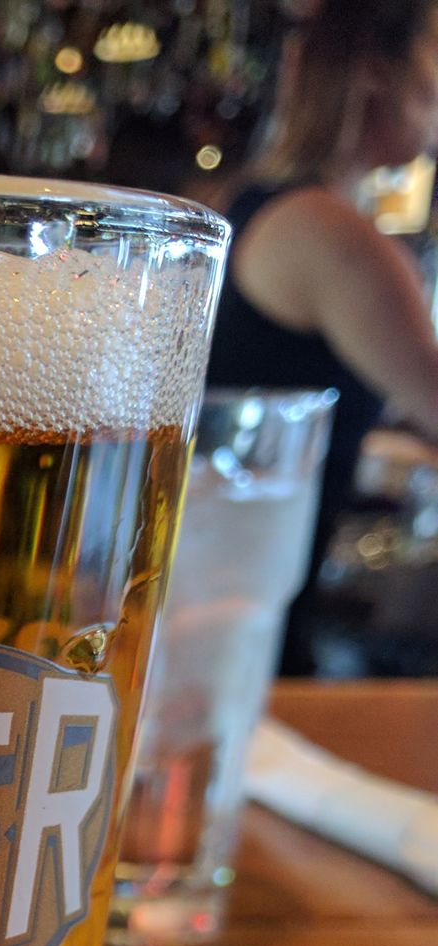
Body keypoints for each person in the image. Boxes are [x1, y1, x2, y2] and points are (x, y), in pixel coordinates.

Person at [206, 0, 438, 671]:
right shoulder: (331, 234)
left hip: (215, 586)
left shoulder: (251, 202)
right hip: (256, 615)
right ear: (377, 75)